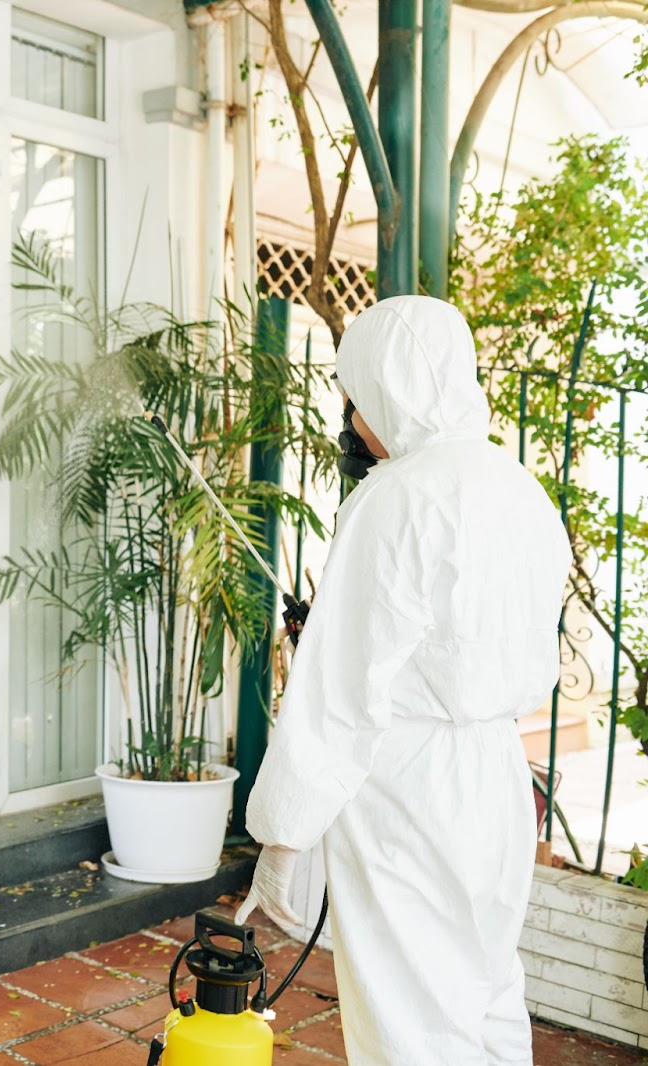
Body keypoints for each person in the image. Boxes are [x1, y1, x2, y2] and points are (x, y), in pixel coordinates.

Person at [236, 295, 570, 1066]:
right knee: (485, 996)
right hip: (494, 778)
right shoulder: (519, 489)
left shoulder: (394, 499)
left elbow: (340, 699)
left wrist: (285, 838)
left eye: (356, 400)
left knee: (411, 1022)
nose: (354, 424)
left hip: (408, 797)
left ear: (389, 388)